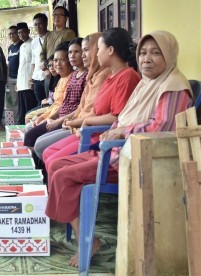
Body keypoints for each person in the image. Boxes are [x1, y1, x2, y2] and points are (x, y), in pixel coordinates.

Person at [46, 30, 193, 268]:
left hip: (131, 159)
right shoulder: (148, 83)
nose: (147, 58)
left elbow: (159, 127)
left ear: (169, 55)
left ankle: (89, 240)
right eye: (143, 52)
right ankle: (79, 229)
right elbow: (124, 118)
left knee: (63, 175)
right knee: (55, 164)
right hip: (113, 150)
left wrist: (121, 131)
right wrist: (115, 129)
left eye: (156, 53)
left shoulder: (173, 86)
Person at [42, 28, 142, 171]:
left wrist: (85, 121)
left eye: (98, 49)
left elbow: (116, 117)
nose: (96, 53)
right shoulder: (110, 77)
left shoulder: (127, 77)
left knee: (54, 162)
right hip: (89, 130)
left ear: (110, 50)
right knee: (48, 153)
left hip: (99, 134)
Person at [30, 33, 111, 163]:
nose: (82, 55)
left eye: (85, 50)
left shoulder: (102, 76)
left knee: (43, 148)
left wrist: (67, 121)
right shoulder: (91, 75)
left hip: (88, 130)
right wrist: (58, 119)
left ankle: (46, 179)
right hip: (75, 123)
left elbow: (95, 113)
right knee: (38, 139)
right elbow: (79, 107)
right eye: (70, 52)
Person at [28, 38, 88, 159]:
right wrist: (49, 118)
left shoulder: (87, 76)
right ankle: (40, 171)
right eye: (70, 52)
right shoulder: (73, 76)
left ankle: (42, 173)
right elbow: (63, 104)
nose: (72, 56)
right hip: (64, 119)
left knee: (36, 140)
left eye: (77, 52)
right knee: (32, 133)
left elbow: (81, 108)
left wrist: (57, 121)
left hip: (71, 122)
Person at [24, 41, 75, 149]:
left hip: (62, 118)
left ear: (70, 61)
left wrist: (47, 118)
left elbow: (64, 106)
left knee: (31, 135)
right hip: (54, 114)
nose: (57, 64)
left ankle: (38, 164)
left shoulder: (72, 78)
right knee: (30, 127)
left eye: (62, 60)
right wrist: (42, 117)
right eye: (55, 60)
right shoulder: (61, 79)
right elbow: (55, 103)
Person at [25, 55, 60, 124]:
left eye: (53, 65)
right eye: (49, 66)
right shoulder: (52, 78)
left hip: (55, 108)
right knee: (28, 116)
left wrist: (48, 101)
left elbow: (59, 100)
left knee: (30, 117)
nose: (51, 68)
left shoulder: (62, 78)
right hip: (51, 106)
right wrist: (47, 100)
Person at [16, 22, 37, 125]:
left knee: (30, 106)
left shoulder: (33, 43)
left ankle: (29, 126)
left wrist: (32, 78)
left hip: (29, 81)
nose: (21, 34)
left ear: (28, 31)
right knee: (21, 107)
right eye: (19, 32)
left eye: (23, 32)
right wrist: (18, 82)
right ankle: (21, 127)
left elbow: (34, 62)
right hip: (21, 82)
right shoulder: (21, 46)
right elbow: (21, 65)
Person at [30, 13, 49, 104]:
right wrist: (33, 76)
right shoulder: (34, 41)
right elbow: (33, 60)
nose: (38, 26)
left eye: (40, 23)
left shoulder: (51, 37)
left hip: (49, 76)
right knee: (40, 103)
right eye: (35, 24)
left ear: (46, 23)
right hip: (37, 77)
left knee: (50, 102)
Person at [6, 25, 23, 124]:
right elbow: (9, 63)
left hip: (20, 78)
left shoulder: (22, 45)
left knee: (21, 101)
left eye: (14, 33)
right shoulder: (10, 48)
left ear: (18, 33)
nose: (12, 35)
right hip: (11, 78)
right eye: (10, 34)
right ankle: (16, 122)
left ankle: (21, 121)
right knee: (14, 101)